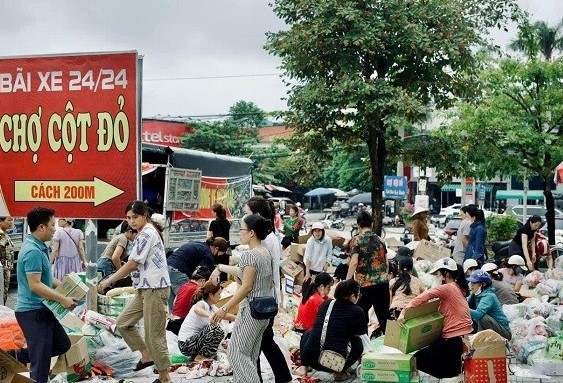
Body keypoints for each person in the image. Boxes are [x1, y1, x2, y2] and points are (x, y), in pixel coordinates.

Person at [98, 200, 172, 383]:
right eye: (128, 218)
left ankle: (164, 377)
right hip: (144, 289)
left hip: (155, 288)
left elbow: (132, 263)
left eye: (135, 217)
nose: (131, 221)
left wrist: (110, 280)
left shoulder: (147, 233)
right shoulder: (141, 234)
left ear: (145, 215)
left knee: (154, 335)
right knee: (123, 323)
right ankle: (146, 355)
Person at [14, 207, 77, 383]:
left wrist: (70, 286)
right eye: (52, 225)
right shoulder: (32, 251)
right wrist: (63, 299)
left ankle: (16, 356)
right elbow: (35, 285)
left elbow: (46, 279)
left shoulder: (39, 247)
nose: (54, 228)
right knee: (40, 365)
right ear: (41, 227)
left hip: (43, 309)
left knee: (62, 344)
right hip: (31, 312)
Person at [209, 214, 275, 383]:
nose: (239, 233)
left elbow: (246, 286)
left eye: (241, 230)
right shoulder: (265, 253)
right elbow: (244, 273)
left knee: (236, 354)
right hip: (264, 311)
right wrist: (220, 268)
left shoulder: (250, 255)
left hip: (251, 311)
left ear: (251, 233)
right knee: (249, 356)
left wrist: (224, 308)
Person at [397, 257, 472, 380]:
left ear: (446, 274)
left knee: (417, 359)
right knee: (449, 371)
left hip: (452, 339)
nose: (436, 277)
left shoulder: (447, 288)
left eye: (437, 274)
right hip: (459, 339)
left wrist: (404, 312)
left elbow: (423, 297)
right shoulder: (458, 289)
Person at [244, 196, 293, 383]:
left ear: (256, 215)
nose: (244, 218)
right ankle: (281, 376)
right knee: (263, 341)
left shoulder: (267, 239)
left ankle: (261, 378)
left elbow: (267, 272)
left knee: (258, 342)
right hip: (266, 296)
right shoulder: (270, 237)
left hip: (262, 298)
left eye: (247, 214)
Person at [295, 279, 366, 381]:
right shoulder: (357, 311)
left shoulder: (326, 304)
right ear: (352, 296)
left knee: (309, 332)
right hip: (333, 362)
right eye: (358, 295)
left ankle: (304, 367)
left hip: (312, 359)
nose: (358, 298)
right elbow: (358, 334)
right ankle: (339, 373)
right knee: (358, 343)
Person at [346, 211, 389, 338]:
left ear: (358, 225)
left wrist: (347, 281)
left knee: (361, 316)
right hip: (382, 284)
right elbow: (386, 262)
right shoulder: (380, 240)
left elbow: (354, 262)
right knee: (384, 317)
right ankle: (390, 348)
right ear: (372, 224)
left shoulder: (356, 240)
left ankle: (363, 348)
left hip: (364, 285)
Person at [177, 281, 236, 361]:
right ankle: (201, 357)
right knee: (215, 329)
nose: (220, 296)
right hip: (186, 344)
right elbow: (197, 310)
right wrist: (209, 315)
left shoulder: (212, 306)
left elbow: (224, 315)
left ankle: (205, 356)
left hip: (195, 343)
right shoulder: (202, 303)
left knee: (218, 330)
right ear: (211, 295)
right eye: (218, 294)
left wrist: (238, 318)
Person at [166, 237, 228, 309]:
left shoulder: (200, 244)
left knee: (174, 303)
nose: (219, 256)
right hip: (178, 271)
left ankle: (174, 319)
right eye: (220, 254)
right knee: (190, 300)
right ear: (216, 249)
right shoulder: (208, 255)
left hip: (167, 267)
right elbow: (199, 274)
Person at [466, 270, 512, 340]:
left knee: (483, 318)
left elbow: (478, 314)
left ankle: (479, 342)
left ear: (483, 284)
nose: (471, 285)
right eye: (471, 283)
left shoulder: (489, 296)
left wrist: (463, 308)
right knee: (469, 315)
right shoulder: (476, 294)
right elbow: (466, 304)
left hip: (504, 333)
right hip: (492, 328)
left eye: (474, 283)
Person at [167, 266, 212, 335]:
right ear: (203, 281)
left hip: (171, 323)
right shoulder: (197, 289)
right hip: (180, 325)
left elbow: (174, 302)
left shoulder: (184, 285)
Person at [207, 204, 231, 281]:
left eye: (212, 211)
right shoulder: (227, 222)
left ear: (215, 213)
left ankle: (214, 285)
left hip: (217, 247)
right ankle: (223, 285)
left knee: (215, 268)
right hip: (226, 247)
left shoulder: (213, 222)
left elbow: (209, 236)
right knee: (224, 269)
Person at [0, 216, 14, 304]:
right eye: (9, 220)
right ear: (0, 221)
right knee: (2, 293)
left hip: (6, 268)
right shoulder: (0, 235)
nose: (11, 222)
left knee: (4, 292)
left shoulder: (4, 234)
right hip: (2, 268)